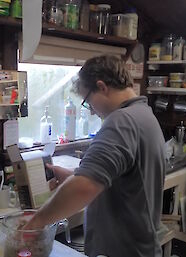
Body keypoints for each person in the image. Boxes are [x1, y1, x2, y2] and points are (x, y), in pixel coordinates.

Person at [24, 55, 165, 257]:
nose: (90, 111)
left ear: (102, 87)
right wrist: (73, 175)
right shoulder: (144, 114)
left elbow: (84, 187)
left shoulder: (121, 121)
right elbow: (119, 175)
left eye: (88, 101)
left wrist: (36, 222)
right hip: (141, 247)